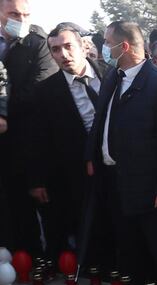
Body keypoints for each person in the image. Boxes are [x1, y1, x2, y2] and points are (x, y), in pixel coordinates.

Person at [86, 20, 157, 285]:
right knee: (128, 252)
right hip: (115, 180)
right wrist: (92, 157)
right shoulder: (112, 76)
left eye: (108, 42)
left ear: (124, 46)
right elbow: (101, 120)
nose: (104, 48)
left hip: (150, 187)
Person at [26, 23, 106, 263]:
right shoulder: (45, 92)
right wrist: (37, 180)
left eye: (68, 46)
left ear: (83, 45)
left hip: (120, 166)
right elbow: (39, 140)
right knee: (92, 232)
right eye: (56, 50)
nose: (63, 54)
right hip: (77, 175)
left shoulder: (111, 73)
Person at [0, 0, 57, 252]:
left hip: (28, 142)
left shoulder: (37, 44)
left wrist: (3, 107)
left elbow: (39, 87)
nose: (20, 19)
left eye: (25, 14)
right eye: (13, 13)